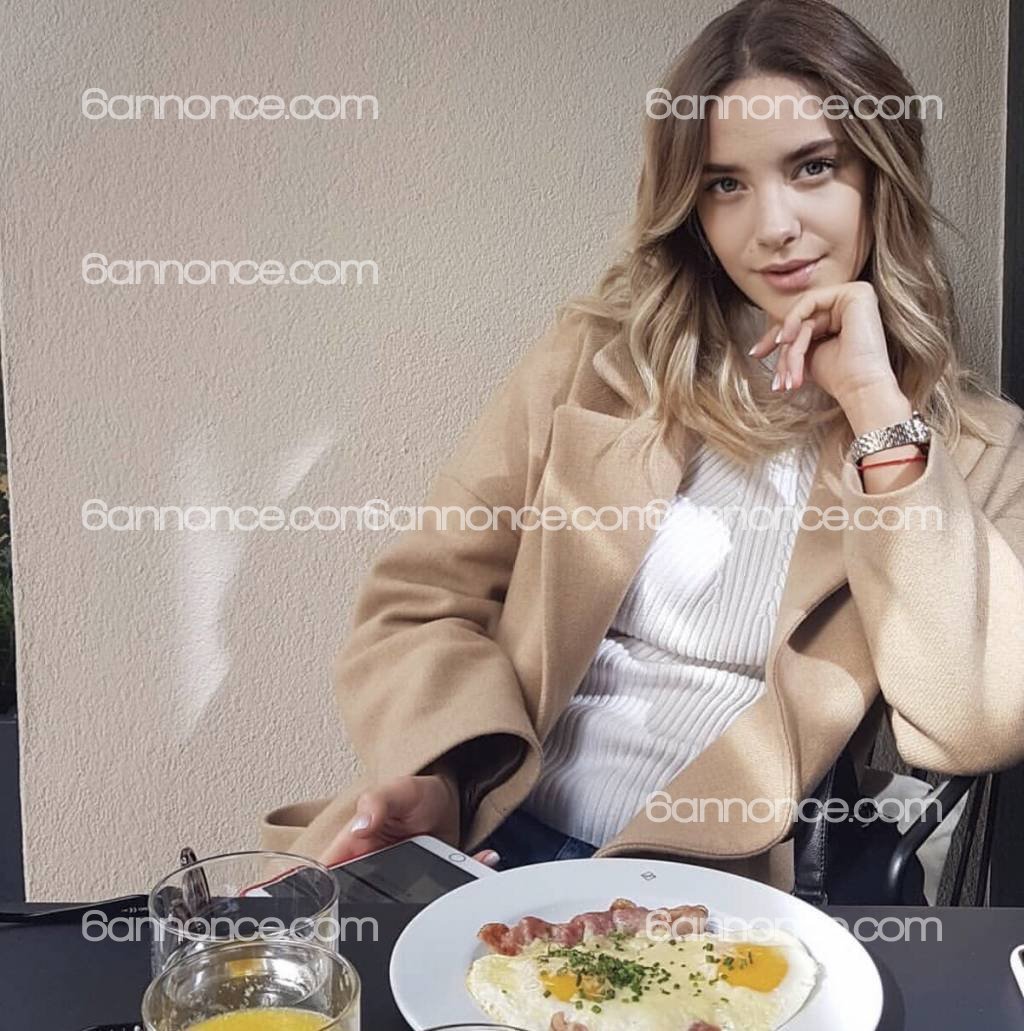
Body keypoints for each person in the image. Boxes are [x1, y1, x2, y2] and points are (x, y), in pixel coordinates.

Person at [260, 0, 1024, 892]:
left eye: (813, 167)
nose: (772, 225)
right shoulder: (598, 362)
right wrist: (438, 773)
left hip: (720, 891)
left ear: (880, 176)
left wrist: (872, 405)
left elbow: (975, 723)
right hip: (490, 842)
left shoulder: (975, 449)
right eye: (725, 184)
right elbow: (422, 600)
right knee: (235, 964)